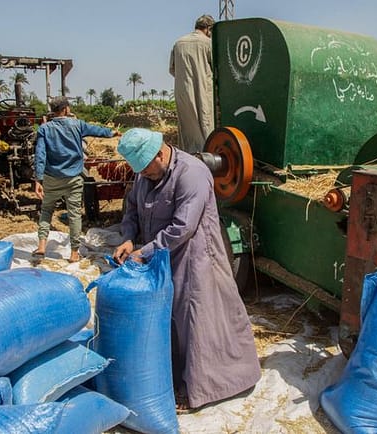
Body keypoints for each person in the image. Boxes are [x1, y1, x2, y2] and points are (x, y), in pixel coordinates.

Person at [114, 128, 261, 411]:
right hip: (162, 257)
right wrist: (129, 237)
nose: (143, 176)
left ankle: (205, 388)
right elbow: (131, 207)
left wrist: (143, 253)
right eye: (140, 172)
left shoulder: (191, 173)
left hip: (195, 259)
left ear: (160, 154)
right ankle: (173, 378)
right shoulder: (144, 172)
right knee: (170, 320)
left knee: (196, 320)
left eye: (146, 170)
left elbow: (183, 227)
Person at [33, 96, 119, 263]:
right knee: (74, 215)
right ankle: (73, 253)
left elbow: (40, 155)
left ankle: (42, 246)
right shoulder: (77, 125)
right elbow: (97, 130)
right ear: (65, 109)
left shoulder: (44, 129)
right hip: (73, 178)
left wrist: (38, 179)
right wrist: (112, 132)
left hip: (52, 178)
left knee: (46, 211)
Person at [169, 14, 215, 154]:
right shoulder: (208, 43)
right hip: (203, 90)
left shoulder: (178, 43)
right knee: (206, 125)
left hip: (182, 91)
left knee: (187, 127)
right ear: (208, 29)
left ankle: (187, 157)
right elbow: (216, 68)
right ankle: (207, 158)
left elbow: (172, 69)